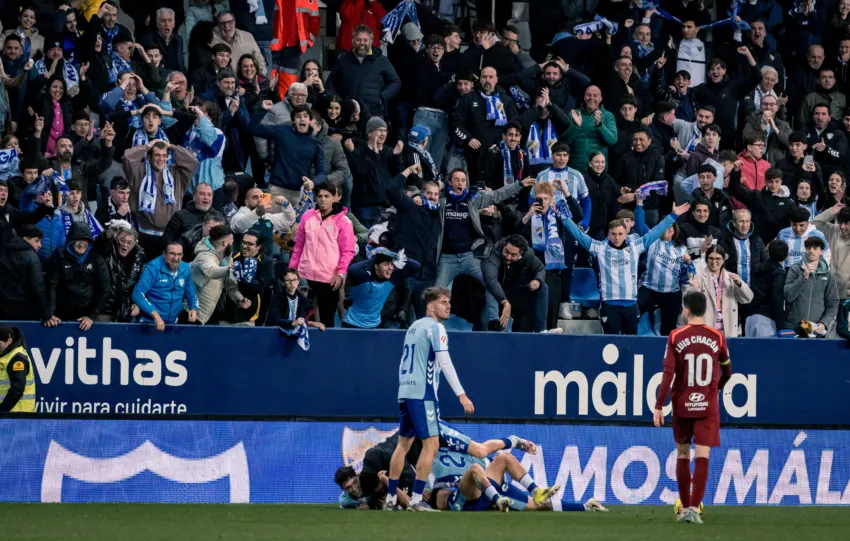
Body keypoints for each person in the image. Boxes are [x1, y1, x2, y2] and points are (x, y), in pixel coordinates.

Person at [384, 287, 475, 512]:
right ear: (431, 306)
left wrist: (404, 388)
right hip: (423, 394)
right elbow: (445, 363)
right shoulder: (437, 328)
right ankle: (416, 500)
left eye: (448, 302)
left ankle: (390, 499)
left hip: (405, 391)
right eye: (443, 302)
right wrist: (461, 394)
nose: (448, 306)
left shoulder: (414, 326)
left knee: (403, 444)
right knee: (431, 444)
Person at [654, 290, 732, 524]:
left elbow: (668, 374)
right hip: (707, 405)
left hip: (682, 404)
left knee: (683, 454)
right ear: (705, 310)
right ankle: (693, 510)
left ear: (686, 309)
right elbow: (728, 370)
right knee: (702, 456)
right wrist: (715, 388)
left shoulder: (676, 336)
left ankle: (685, 506)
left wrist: (659, 405)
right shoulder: (717, 337)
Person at [563, 202, 691, 335]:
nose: (617, 237)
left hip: (630, 305)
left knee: (630, 347)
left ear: (626, 233)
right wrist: (564, 218)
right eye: (613, 234)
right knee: (609, 346)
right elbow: (579, 235)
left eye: (620, 233)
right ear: (608, 234)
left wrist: (673, 216)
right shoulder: (599, 248)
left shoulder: (635, 247)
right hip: (609, 305)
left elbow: (656, 232)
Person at [289, 181, 355, 329]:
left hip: (329, 278)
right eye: (320, 196)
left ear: (334, 198)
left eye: (327, 196)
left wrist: (341, 274)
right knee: (301, 318)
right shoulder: (307, 216)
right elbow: (299, 246)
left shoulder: (344, 222)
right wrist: (292, 269)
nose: (323, 199)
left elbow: (348, 251)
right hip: (305, 276)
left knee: (327, 321)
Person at [124, 139, 200, 259]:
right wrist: (147, 146)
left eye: (164, 155)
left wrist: (172, 147)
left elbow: (193, 162)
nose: (161, 159)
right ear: (149, 156)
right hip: (144, 234)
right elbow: (127, 158)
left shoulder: (177, 173)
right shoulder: (139, 171)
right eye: (157, 155)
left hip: (171, 235)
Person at [250, 101, 326, 208]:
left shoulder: (316, 144)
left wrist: (313, 182)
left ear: (310, 120)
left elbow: (322, 172)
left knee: (300, 225)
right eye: (298, 116)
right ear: (293, 120)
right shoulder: (282, 131)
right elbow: (254, 129)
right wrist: (262, 110)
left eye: (305, 116)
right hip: (276, 189)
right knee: (268, 222)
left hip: (300, 194)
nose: (302, 119)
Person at [325, 24, 401, 120]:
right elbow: (330, 83)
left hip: (374, 113)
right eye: (358, 40)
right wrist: (338, 101)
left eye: (365, 40)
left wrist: (382, 97)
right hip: (348, 113)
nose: (362, 43)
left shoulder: (381, 60)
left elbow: (396, 82)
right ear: (353, 41)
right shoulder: (343, 60)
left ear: (371, 41)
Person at [46, 222, 110, 331]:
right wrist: (50, 313)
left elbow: (105, 289)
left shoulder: (96, 259)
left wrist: (91, 316)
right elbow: (52, 285)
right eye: (78, 240)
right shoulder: (59, 256)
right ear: (71, 241)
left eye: (85, 240)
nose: (82, 244)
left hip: (87, 318)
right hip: (61, 316)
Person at [482, 234, 548, 333]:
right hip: (499, 295)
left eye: (513, 255)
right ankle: (495, 324)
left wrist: (537, 280)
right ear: (504, 245)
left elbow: (540, 269)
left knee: (543, 286)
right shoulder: (493, 252)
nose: (508, 257)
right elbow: (491, 280)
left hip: (517, 293)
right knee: (490, 287)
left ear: (520, 253)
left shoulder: (528, 254)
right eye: (506, 252)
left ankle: (541, 330)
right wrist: (505, 302)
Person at [343, 248, 421, 330]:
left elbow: (416, 266)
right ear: (376, 266)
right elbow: (353, 269)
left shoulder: (392, 278)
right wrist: (374, 258)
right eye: (386, 264)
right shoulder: (364, 276)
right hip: (352, 324)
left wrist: (396, 256)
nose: (390, 268)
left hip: (374, 326)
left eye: (392, 264)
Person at [686, 245, 754, 337]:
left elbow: (748, 298)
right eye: (711, 258)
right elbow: (688, 305)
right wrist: (693, 289)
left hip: (728, 330)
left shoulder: (731, 277)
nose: (714, 262)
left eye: (717, 258)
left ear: (723, 259)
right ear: (706, 259)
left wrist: (739, 284)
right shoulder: (699, 277)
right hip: (707, 328)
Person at [132, 240, 200, 331]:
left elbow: (190, 291)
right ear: (164, 254)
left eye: (179, 254)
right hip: (150, 322)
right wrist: (156, 316)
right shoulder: (153, 267)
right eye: (172, 253)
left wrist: (194, 308)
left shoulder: (185, 268)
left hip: (173, 322)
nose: (176, 258)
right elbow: (137, 293)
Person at [638, 221, 691, 336]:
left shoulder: (682, 249)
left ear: (673, 231)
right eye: (662, 227)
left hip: (671, 293)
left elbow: (689, 275)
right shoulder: (652, 241)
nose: (666, 230)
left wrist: (688, 262)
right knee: (633, 313)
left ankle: (666, 352)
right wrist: (639, 205)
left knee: (669, 330)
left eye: (669, 228)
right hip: (649, 289)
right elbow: (640, 224)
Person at [191, 224, 247, 324]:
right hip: (193, 311)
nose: (233, 242)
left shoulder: (226, 255)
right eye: (231, 239)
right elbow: (211, 271)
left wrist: (240, 299)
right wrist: (230, 269)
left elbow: (230, 284)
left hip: (212, 311)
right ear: (225, 243)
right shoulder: (204, 255)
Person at [784, 236, 841, 335]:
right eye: (808, 248)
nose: (811, 251)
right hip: (794, 328)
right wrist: (803, 277)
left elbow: (833, 302)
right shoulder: (795, 269)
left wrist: (824, 323)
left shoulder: (828, 274)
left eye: (815, 248)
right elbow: (788, 296)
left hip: (815, 330)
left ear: (821, 252)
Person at [95, 219, 145, 323]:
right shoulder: (107, 249)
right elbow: (97, 246)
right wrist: (110, 232)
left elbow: (143, 283)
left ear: (134, 243)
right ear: (116, 239)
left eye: (129, 242)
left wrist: (139, 302)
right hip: (105, 309)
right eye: (122, 240)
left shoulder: (139, 256)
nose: (125, 245)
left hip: (126, 311)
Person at [0, 225, 49, 323]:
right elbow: (38, 288)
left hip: (3, 308)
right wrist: (46, 314)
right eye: (36, 241)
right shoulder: (31, 256)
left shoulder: (2, 253)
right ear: (25, 239)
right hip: (25, 310)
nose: (40, 245)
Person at [563, 85, 618, 173]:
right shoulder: (574, 114)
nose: (591, 98)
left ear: (600, 98)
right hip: (575, 168)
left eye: (595, 95)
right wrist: (576, 127)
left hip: (598, 169)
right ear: (584, 97)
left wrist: (599, 125)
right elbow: (565, 142)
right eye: (588, 95)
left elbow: (612, 140)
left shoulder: (608, 115)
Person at [224, 231, 274, 326]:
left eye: (250, 244)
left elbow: (259, 287)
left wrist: (242, 278)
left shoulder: (266, 262)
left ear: (258, 246)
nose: (244, 246)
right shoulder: (232, 257)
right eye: (244, 242)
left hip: (249, 314)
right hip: (228, 312)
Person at [747, 239, 789, 337]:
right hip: (766, 320)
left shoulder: (758, 269)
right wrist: (781, 326)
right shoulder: (779, 272)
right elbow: (776, 299)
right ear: (786, 255)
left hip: (750, 317)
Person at [812, 204, 850, 300]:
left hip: (847, 296)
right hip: (827, 290)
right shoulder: (833, 229)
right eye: (840, 222)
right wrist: (831, 212)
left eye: (846, 223)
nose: (842, 226)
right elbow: (813, 224)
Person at [211, 11, 266, 76]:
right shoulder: (212, 40)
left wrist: (262, 78)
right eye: (222, 23)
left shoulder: (247, 36)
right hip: (224, 83)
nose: (226, 26)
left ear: (234, 22)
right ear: (218, 25)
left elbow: (259, 60)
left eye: (230, 22)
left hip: (247, 82)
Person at [0, 326, 36, 412]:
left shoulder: (17, 358)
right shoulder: (4, 354)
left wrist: (2, 411)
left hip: (17, 413)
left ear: (9, 342)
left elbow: (17, 389)